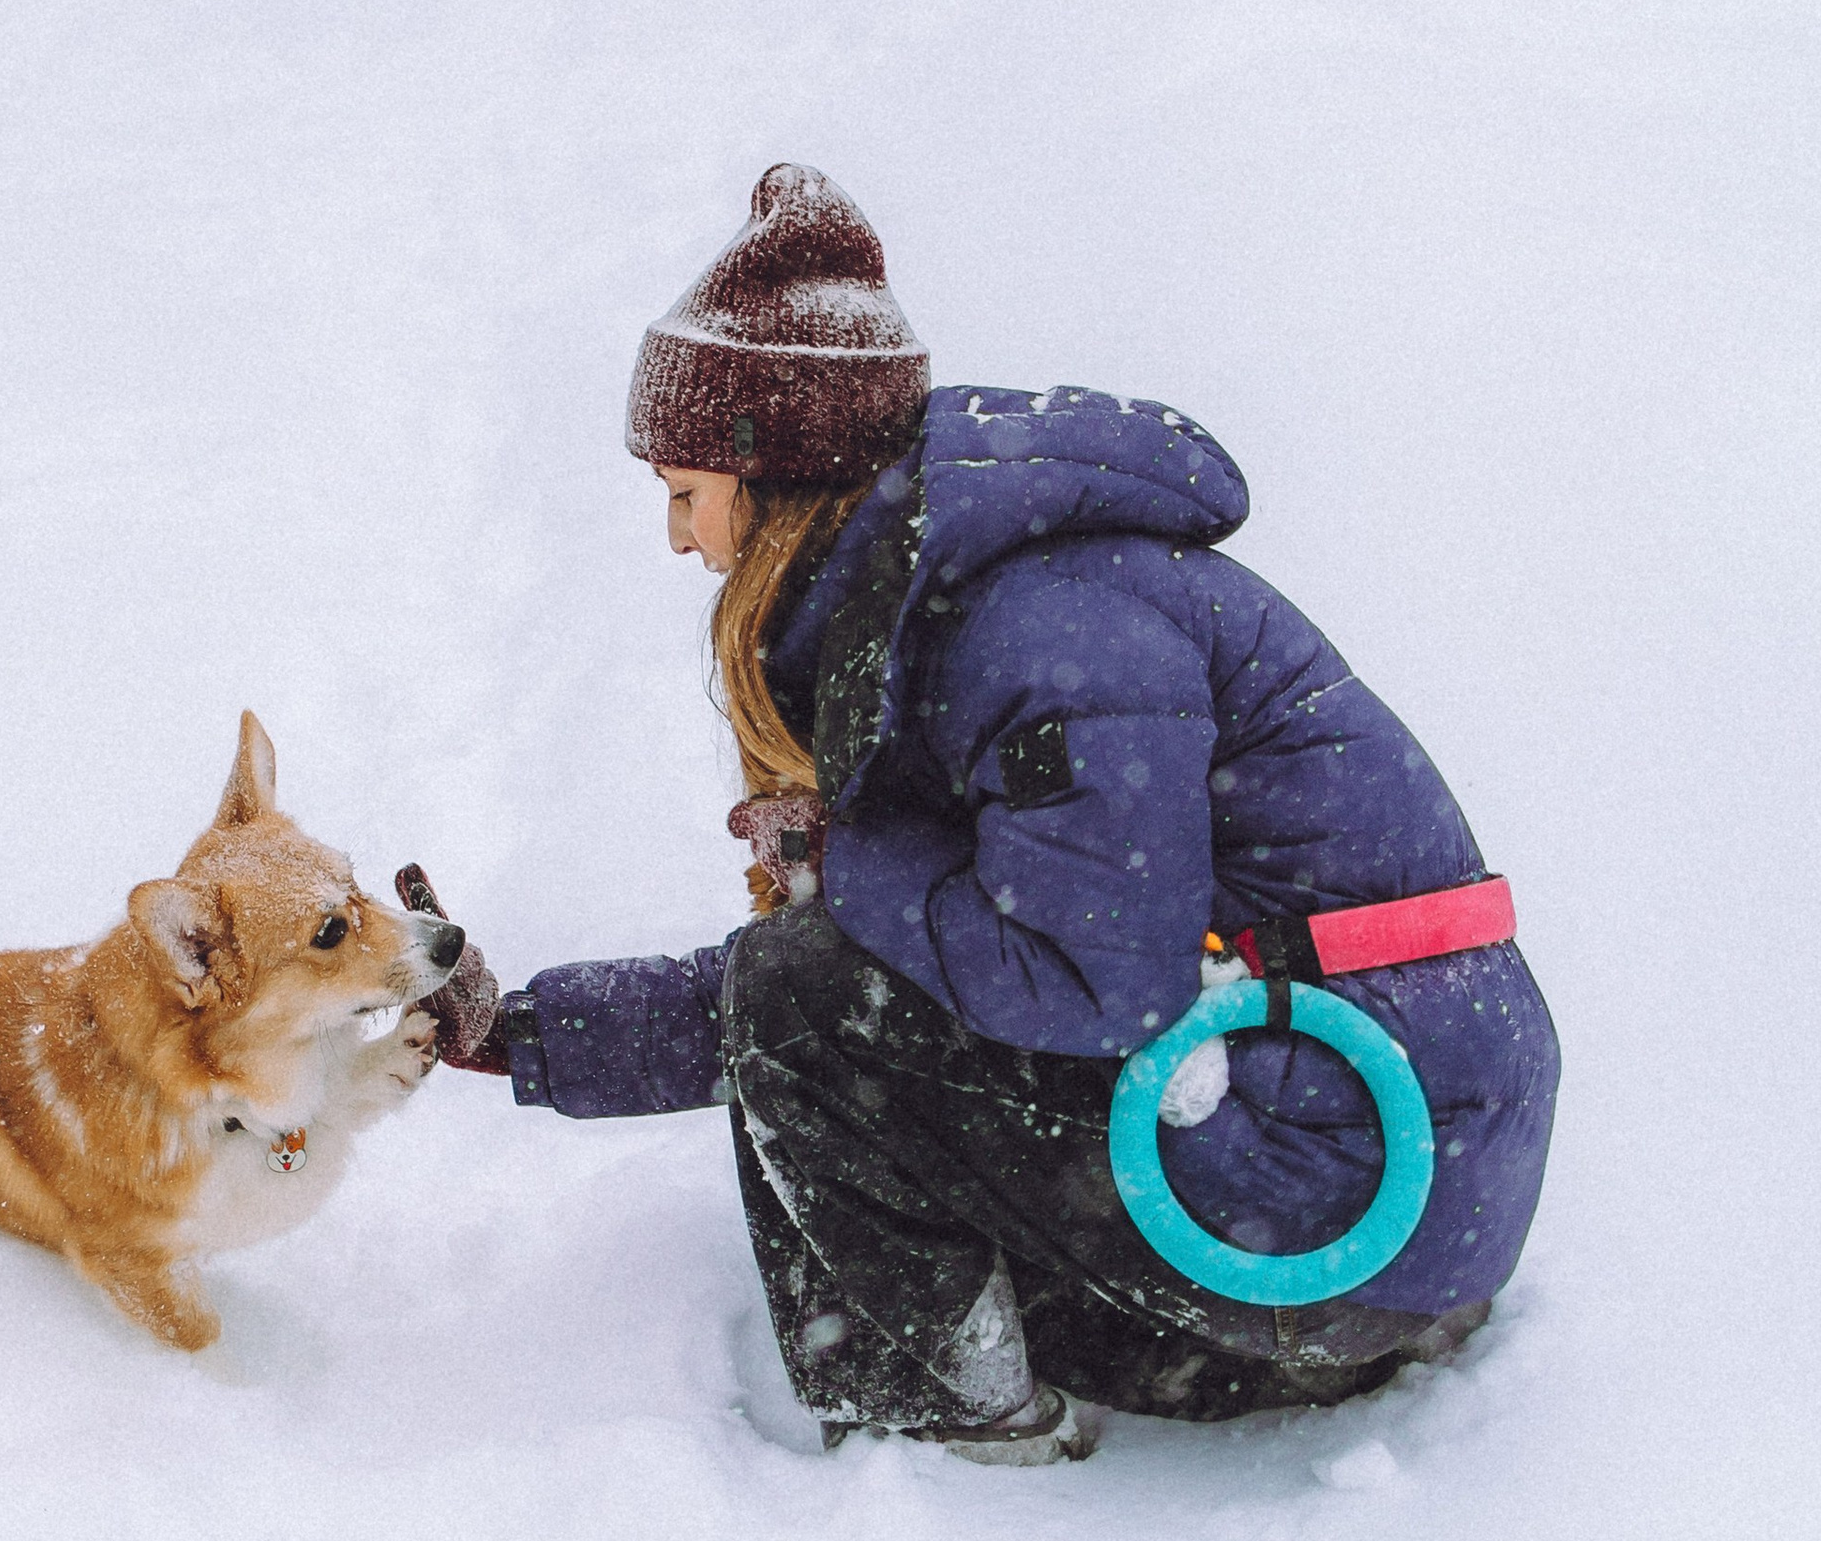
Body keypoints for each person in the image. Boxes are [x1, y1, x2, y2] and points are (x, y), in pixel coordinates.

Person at [412, 164, 1559, 1464]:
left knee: (806, 1002)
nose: (678, 540)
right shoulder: (934, 616)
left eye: (684, 493)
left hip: (1351, 1230)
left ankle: (955, 1456)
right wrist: (522, 1037)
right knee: (811, 1000)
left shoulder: (1043, 628)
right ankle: (933, 1392)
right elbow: (875, 979)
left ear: (773, 474)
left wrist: (853, 862)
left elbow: (1086, 984)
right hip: (1298, 1184)